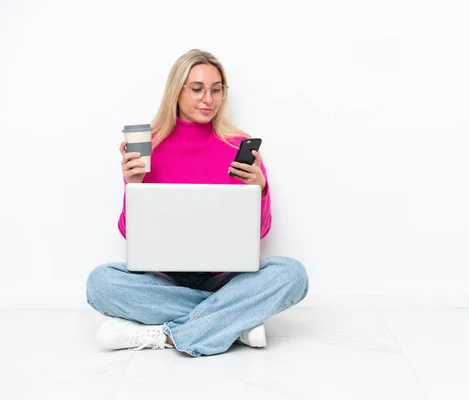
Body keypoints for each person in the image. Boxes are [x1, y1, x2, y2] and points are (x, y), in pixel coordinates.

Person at [86, 49, 309, 357]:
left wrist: (260, 188)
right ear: (176, 91)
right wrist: (133, 187)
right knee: (100, 283)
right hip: (165, 280)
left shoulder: (237, 146)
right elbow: (129, 234)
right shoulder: (150, 146)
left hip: (224, 279)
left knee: (292, 273)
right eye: (198, 88)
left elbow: (259, 232)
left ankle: (166, 336)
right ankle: (234, 321)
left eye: (217, 90)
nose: (209, 99)